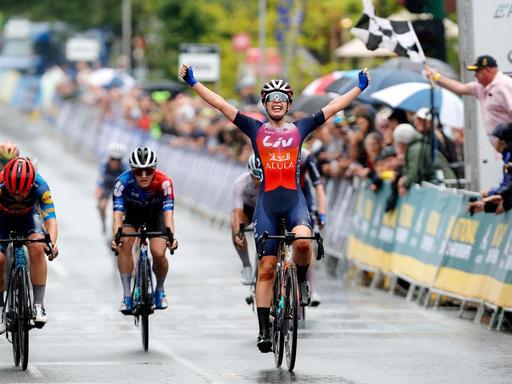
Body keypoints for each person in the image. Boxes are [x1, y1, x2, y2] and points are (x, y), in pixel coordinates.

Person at [180, 63, 369, 352]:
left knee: (304, 243)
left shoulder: (300, 128)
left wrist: (359, 87)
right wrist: (194, 83)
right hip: (267, 206)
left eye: (282, 99)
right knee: (267, 268)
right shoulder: (254, 128)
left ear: (289, 104)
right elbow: (219, 104)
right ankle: (264, 330)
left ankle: (303, 282)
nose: (277, 103)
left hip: (295, 202)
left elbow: (333, 107)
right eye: (272, 99)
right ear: (266, 104)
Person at [111, 147, 178, 314]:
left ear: (154, 169)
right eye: (138, 171)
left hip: (156, 215)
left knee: (159, 253)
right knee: (125, 243)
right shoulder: (122, 182)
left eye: (148, 170)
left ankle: (160, 290)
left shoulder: (164, 182)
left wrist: (171, 236)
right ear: (131, 170)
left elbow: (168, 213)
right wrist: (116, 237)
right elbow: (117, 216)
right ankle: (127, 296)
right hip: (132, 214)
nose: (144, 175)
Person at [0, 157, 58, 333]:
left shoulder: (40, 184)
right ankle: (1, 309)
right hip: (2, 220)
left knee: (38, 247)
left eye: (23, 193)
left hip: (28, 218)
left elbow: (51, 220)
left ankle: (38, 305)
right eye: (14, 193)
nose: (18, 196)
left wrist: (52, 244)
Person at [425, 55, 512, 137]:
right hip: (502, 147)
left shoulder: (503, 85)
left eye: (477, 71)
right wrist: (435, 76)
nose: (475, 75)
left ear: (488, 70)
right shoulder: (481, 87)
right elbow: (459, 87)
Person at [232, 154, 262, 285]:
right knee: (235, 227)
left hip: (266, 207)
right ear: (249, 171)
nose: (259, 179)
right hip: (248, 208)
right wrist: (238, 232)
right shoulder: (241, 183)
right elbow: (237, 211)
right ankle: (247, 266)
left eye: (262, 175)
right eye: (255, 174)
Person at [96, 143, 128, 234]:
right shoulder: (104, 165)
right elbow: (100, 183)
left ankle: (115, 229)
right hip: (107, 185)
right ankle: (103, 223)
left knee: (119, 211)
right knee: (102, 206)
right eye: (113, 159)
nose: (115, 162)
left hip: (119, 188)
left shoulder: (125, 168)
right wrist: (99, 196)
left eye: (118, 160)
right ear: (109, 158)